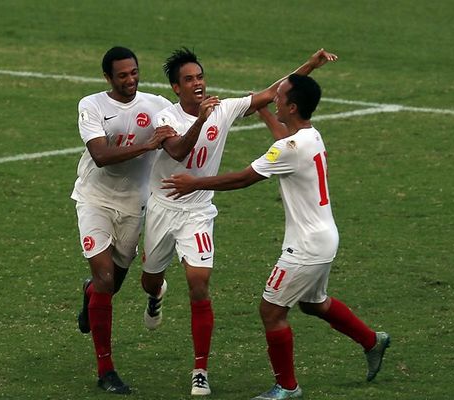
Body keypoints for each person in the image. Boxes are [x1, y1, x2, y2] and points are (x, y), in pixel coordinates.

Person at [161, 74, 390, 400]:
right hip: (325, 237)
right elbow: (284, 140)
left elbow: (243, 179)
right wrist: (265, 114)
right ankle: (372, 341)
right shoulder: (309, 136)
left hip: (306, 247)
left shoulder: (289, 149)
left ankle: (287, 386)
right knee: (313, 304)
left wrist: (194, 183)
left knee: (271, 312)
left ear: (293, 106)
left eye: (279, 97)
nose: (274, 98)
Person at [140, 48, 338, 396]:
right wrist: (201, 120)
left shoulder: (224, 108)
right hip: (162, 208)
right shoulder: (165, 119)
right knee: (150, 278)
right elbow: (177, 152)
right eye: (189, 79)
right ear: (176, 87)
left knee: (199, 283)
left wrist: (308, 65)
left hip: (198, 211)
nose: (198, 83)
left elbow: (275, 92)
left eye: (200, 76)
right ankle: (155, 294)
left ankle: (200, 369)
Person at [71, 46, 176, 395]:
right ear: (108, 78)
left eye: (134, 73)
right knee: (104, 279)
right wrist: (148, 147)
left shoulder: (157, 105)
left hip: (134, 203)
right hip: (94, 200)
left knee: (110, 286)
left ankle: (90, 294)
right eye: (122, 75)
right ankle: (106, 370)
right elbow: (100, 155)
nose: (130, 80)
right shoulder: (92, 105)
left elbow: (184, 128)